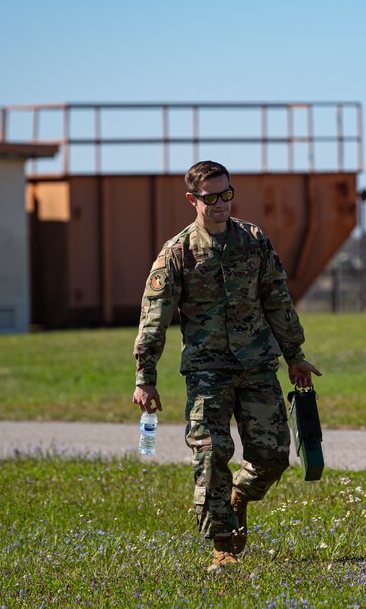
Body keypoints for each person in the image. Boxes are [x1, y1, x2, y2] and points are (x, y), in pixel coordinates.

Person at [131, 160, 321, 573]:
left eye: (227, 194)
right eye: (211, 197)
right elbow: (155, 316)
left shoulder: (254, 240)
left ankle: (238, 498)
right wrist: (145, 377)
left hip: (257, 366)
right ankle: (224, 546)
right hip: (206, 371)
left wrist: (295, 355)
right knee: (211, 453)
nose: (221, 204)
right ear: (192, 200)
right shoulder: (177, 253)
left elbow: (277, 299)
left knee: (272, 456)